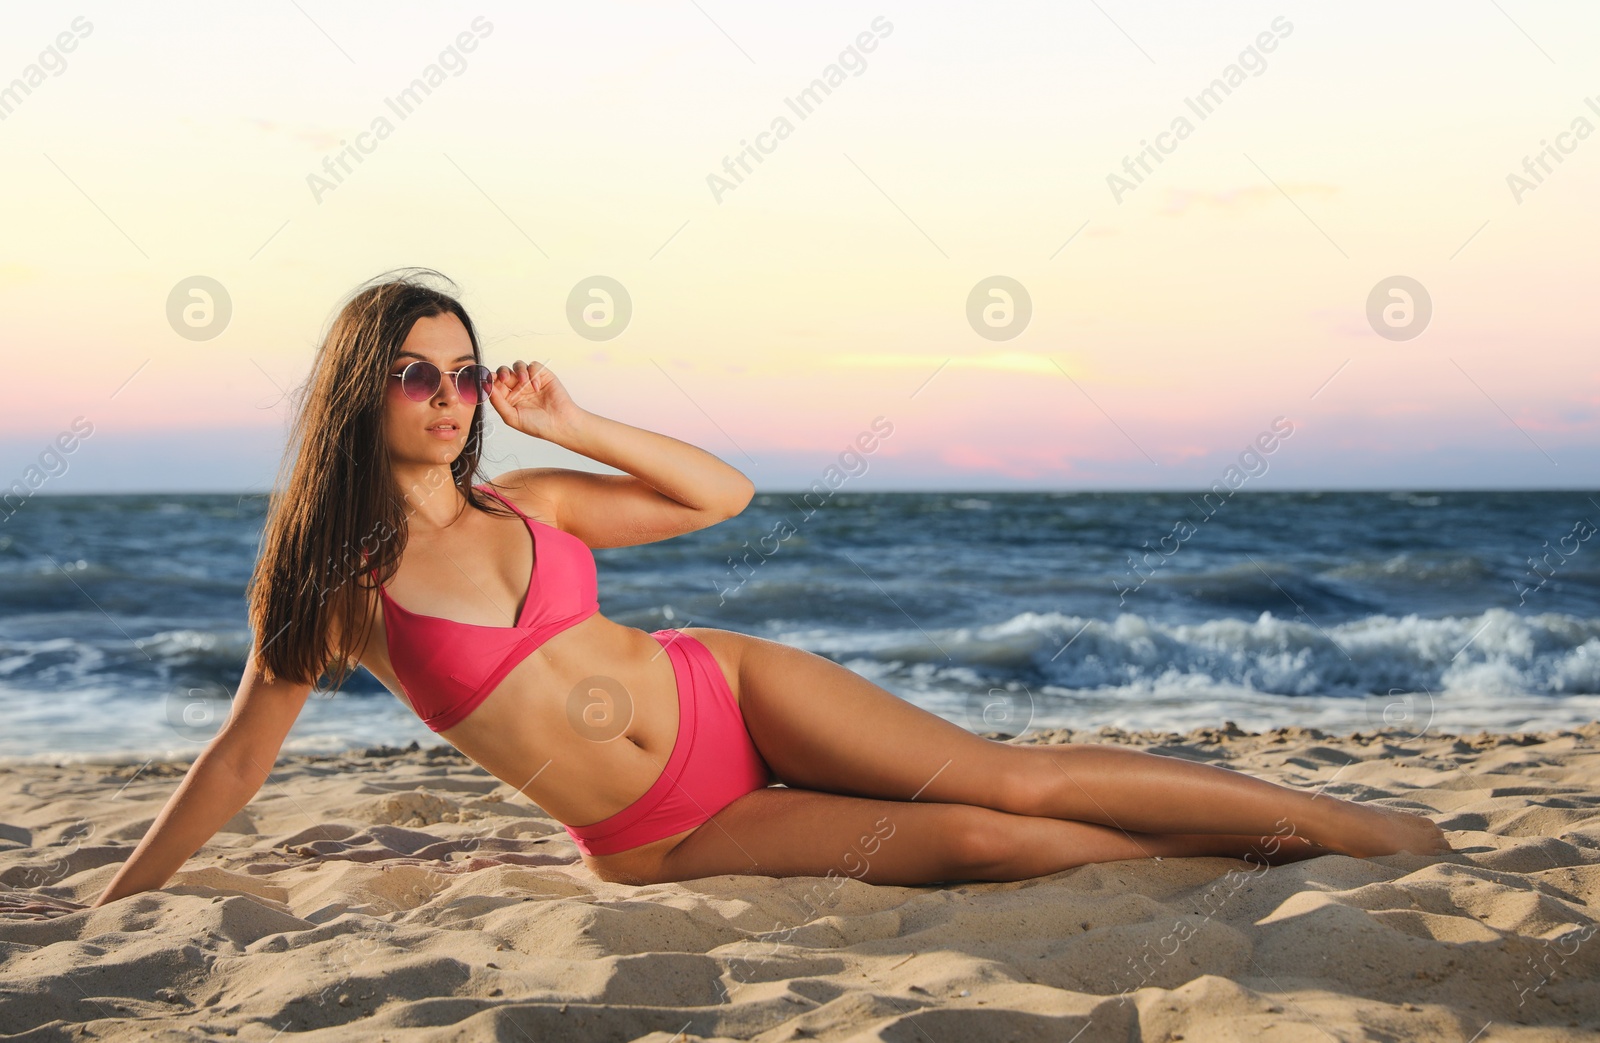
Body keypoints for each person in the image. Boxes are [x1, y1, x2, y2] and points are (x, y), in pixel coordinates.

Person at [87, 268, 1451, 908]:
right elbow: (233, 762)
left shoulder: (534, 499)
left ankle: (1341, 822)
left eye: (463, 372)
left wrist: (573, 422)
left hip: (729, 692)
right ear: (359, 391)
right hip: (664, 839)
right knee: (985, 850)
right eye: (417, 375)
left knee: (1007, 781)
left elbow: (719, 495)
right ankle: (1223, 850)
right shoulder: (337, 591)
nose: (450, 399)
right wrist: (119, 894)